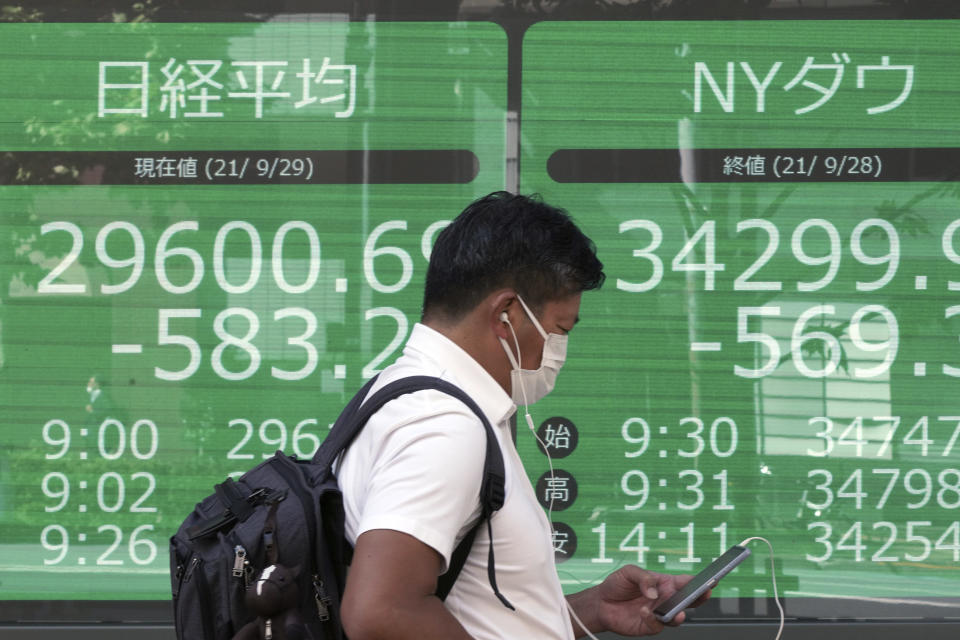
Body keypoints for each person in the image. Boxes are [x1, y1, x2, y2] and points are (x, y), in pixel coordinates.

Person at [338, 192, 706, 640]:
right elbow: (381, 611)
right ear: (507, 314)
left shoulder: (404, 392)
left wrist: (594, 609)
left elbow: (475, 608)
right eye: (559, 329)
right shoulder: (443, 425)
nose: (558, 351)